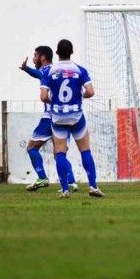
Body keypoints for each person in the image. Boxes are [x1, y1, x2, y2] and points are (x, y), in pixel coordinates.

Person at [40, 39, 104, 198]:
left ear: (56, 53)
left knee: (60, 152)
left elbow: (43, 97)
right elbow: (90, 91)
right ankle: (93, 187)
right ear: (72, 52)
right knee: (85, 150)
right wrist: (79, 96)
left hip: (58, 117)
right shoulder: (80, 70)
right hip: (76, 116)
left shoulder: (48, 72)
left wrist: (55, 102)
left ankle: (65, 190)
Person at [19, 46, 77, 192]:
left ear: (43, 57)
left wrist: (26, 69)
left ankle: (42, 177)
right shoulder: (60, 71)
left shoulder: (46, 70)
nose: (33, 58)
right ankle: (71, 182)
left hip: (50, 117)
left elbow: (39, 74)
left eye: (35, 55)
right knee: (59, 153)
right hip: (63, 116)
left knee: (32, 147)